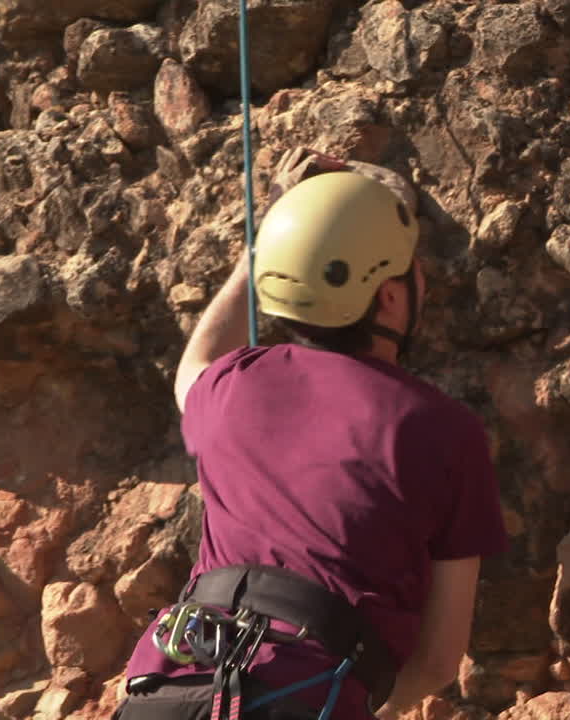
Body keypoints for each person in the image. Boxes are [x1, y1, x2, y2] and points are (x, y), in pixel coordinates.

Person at [116, 148, 508, 720]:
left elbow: (191, 366)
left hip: (166, 691)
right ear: (391, 296)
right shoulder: (444, 432)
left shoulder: (231, 385)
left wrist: (264, 249)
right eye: (411, 265)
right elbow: (437, 664)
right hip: (303, 699)